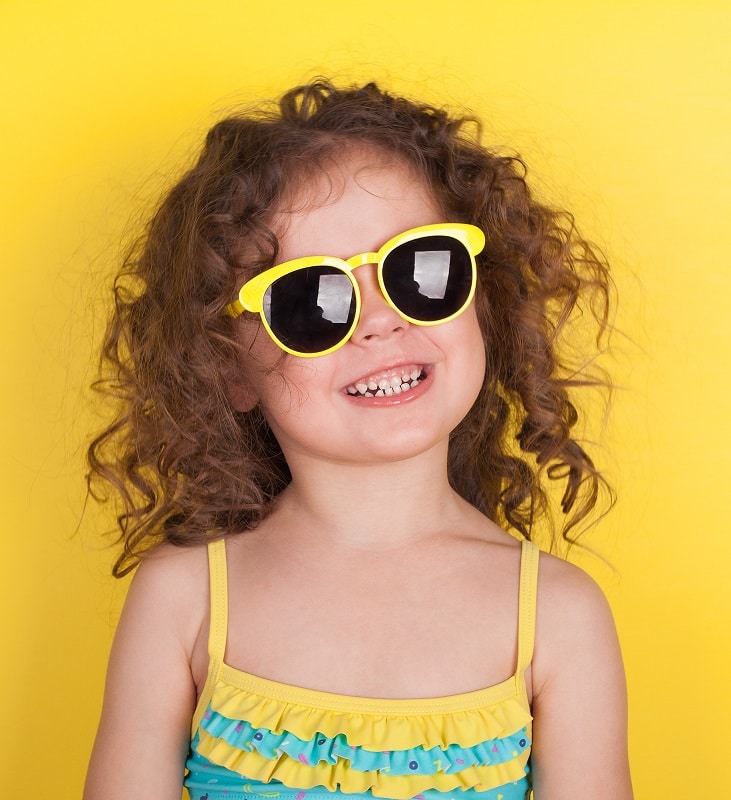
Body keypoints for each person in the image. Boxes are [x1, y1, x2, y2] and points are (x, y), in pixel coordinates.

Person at [83, 80, 633, 800]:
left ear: (482, 302)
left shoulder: (558, 616)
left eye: (418, 271)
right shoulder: (184, 599)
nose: (380, 322)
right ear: (227, 367)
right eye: (311, 299)